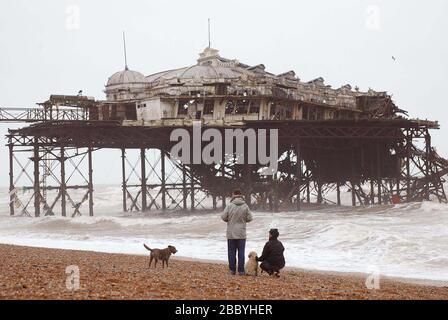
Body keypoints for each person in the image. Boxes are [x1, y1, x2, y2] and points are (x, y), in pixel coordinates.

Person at [221, 189, 253, 275]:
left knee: (231, 252)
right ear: (241, 195)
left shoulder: (230, 205)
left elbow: (223, 217)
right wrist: (243, 220)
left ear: (233, 195)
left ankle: (232, 270)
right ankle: (241, 271)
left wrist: (230, 219)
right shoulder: (245, 206)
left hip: (231, 233)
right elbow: (250, 218)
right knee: (241, 252)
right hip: (241, 233)